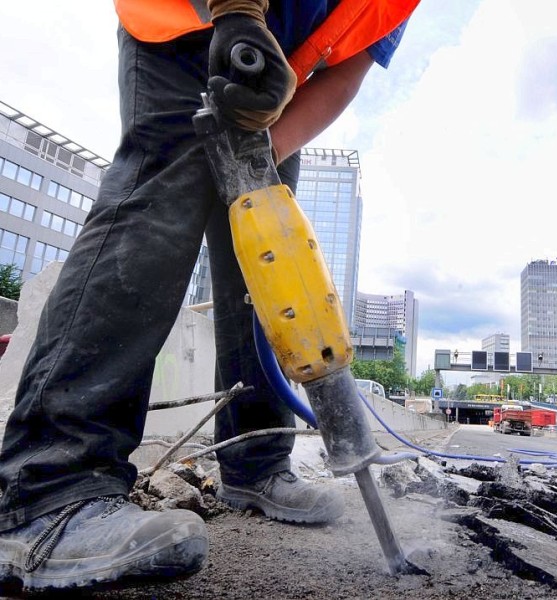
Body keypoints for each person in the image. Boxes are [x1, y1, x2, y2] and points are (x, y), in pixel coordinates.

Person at [0, 0, 418, 593]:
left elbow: (346, 68)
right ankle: (47, 490)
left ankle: (257, 466)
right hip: (185, 26)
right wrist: (240, 11)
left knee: (266, 264)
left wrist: (264, 151)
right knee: (158, 206)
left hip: (277, 89)